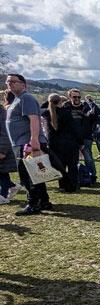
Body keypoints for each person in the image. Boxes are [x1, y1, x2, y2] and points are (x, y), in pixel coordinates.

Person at [5, 73, 53, 216]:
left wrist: (34, 141)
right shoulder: (17, 99)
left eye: (13, 81)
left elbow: (34, 119)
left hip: (27, 144)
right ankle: (44, 201)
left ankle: (33, 204)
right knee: (36, 173)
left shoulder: (26, 98)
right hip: (22, 143)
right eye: (8, 81)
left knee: (27, 176)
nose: (10, 83)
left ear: (23, 84)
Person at [42, 94, 83, 193]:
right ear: (60, 101)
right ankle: (72, 185)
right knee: (72, 165)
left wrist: (50, 101)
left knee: (60, 166)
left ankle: (62, 185)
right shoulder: (66, 112)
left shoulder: (46, 113)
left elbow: (42, 107)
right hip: (70, 142)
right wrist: (80, 142)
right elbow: (75, 129)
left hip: (55, 144)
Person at [64, 88, 96, 185]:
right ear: (70, 97)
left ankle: (92, 177)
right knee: (73, 159)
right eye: (74, 97)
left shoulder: (86, 107)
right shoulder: (66, 107)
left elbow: (92, 118)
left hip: (86, 137)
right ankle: (76, 177)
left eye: (79, 97)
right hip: (71, 138)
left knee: (88, 158)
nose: (77, 99)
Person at [0, 90, 21, 204]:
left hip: (3, 145)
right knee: (2, 171)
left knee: (2, 170)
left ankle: (3, 195)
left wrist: (2, 149)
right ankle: (11, 186)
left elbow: (5, 132)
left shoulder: (1, 111)